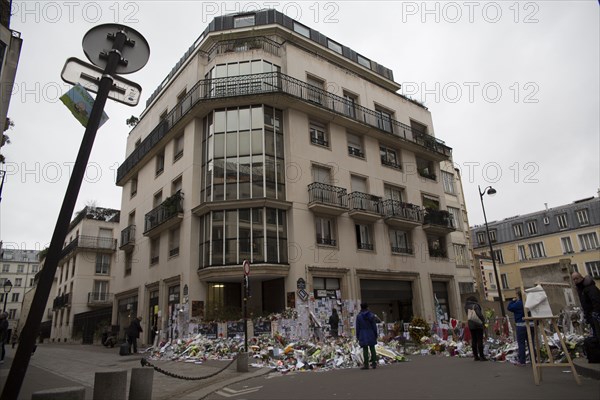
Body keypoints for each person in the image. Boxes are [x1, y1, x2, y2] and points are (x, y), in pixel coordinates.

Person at [508, 290, 535, 366]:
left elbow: (509, 307)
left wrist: (513, 301)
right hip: (531, 324)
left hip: (521, 325)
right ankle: (534, 360)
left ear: (518, 295)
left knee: (521, 343)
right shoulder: (529, 303)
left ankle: (522, 361)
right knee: (531, 343)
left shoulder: (518, 303)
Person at [572, 272, 600, 338]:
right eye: (574, 279)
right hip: (591, 316)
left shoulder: (589, 288)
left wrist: (595, 313)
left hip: (596, 316)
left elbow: (596, 301)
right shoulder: (580, 289)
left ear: (581, 277)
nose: (575, 280)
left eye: (577, 278)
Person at [355, 303, 378, 369]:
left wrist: (358, 335)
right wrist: (375, 334)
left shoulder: (359, 316)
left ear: (361, 307)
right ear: (367, 307)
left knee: (365, 349)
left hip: (363, 333)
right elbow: (374, 326)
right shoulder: (371, 315)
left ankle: (366, 364)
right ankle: (374, 363)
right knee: (372, 348)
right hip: (371, 332)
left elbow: (358, 327)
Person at [465, 296, 487, 361]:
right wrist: (483, 320)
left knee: (474, 340)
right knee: (479, 340)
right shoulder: (476, 305)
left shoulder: (466, 306)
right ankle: (482, 356)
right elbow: (479, 314)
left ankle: (475, 356)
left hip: (471, 324)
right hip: (478, 324)